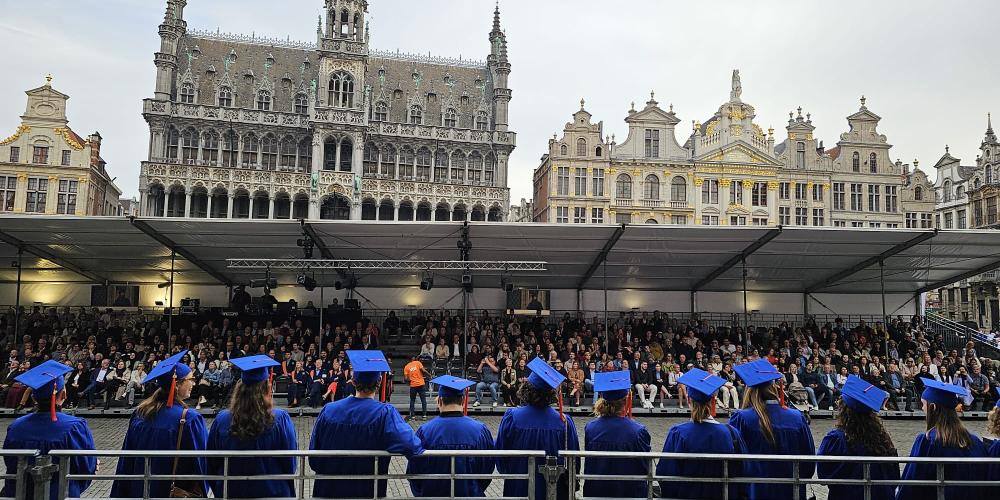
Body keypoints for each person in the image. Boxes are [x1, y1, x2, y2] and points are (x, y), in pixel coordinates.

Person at [309, 350, 423, 498]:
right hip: (367, 490)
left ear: (353, 381)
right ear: (379, 382)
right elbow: (411, 446)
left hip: (329, 490)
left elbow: (314, 458)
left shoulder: (329, 410)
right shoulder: (385, 414)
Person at [111, 350, 209, 498]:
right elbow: (202, 462)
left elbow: (127, 460)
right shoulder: (190, 418)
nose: (194, 383)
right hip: (172, 490)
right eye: (191, 379)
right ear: (177, 384)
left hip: (140, 489)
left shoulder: (140, 413)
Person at [1, 361, 96, 500]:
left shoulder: (16, 426)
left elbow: (11, 463)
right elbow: (86, 467)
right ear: (63, 395)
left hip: (21, 493)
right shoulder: (74, 427)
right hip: (60, 493)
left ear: (33, 397)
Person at [207, 355, 297, 498]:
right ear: (267, 387)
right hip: (272, 492)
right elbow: (290, 463)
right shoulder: (280, 419)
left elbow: (211, 463)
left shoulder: (222, 419)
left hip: (231, 492)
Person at [729, 358, 815, 500]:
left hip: (754, 491)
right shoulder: (796, 418)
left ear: (749, 391)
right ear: (774, 387)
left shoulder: (742, 418)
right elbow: (808, 461)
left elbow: (733, 462)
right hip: (791, 490)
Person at [496, 357, 580, 500]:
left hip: (520, 486)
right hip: (554, 489)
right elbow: (574, 462)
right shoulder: (564, 421)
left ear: (527, 390)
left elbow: (501, 453)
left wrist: (510, 472)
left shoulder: (512, 417)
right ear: (551, 393)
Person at [657, 367, 746, 499]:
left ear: (689, 401)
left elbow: (666, 474)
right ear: (712, 401)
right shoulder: (731, 433)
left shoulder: (678, 433)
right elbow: (742, 470)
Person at [896, 378, 991, 500]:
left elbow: (912, 481)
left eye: (923, 404)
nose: (922, 408)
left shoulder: (927, 440)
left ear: (933, 407)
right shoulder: (973, 440)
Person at [406, 376, 495, 497]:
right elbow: (487, 468)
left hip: (432, 495)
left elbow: (414, 470)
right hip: (470, 495)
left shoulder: (425, 431)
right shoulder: (480, 430)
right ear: (463, 400)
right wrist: (474, 489)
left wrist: (425, 492)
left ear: (440, 400)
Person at [817, 375, 900, 500]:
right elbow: (894, 475)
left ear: (843, 410)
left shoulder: (836, 439)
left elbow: (824, 474)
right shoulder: (882, 439)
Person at [583, 370, 651, 498]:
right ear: (626, 400)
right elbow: (644, 466)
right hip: (629, 492)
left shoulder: (591, 428)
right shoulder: (638, 431)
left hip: (598, 491)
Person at [403, 355, 430, 421]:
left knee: (412, 401)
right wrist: (429, 375)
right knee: (423, 400)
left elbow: (406, 378)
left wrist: (410, 380)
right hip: (421, 384)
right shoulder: (418, 363)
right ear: (413, 358)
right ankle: (424, 416)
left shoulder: (406, 367)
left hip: (413, 385)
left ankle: (413, 417)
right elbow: (423, 371)